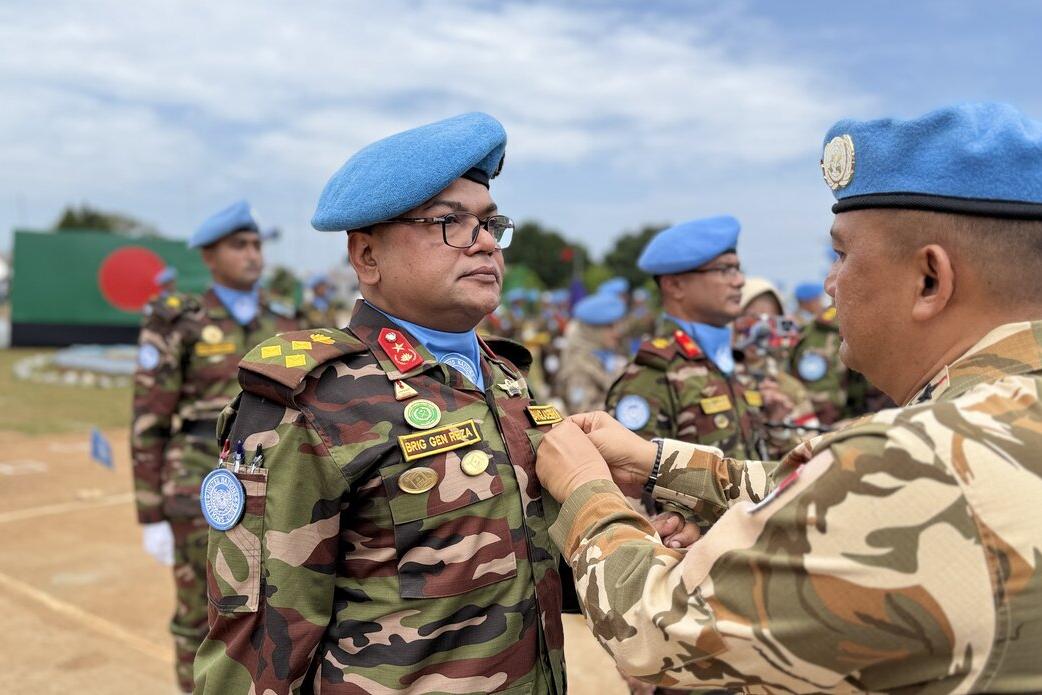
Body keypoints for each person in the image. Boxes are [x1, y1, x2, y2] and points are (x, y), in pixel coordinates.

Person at [535, 101, 1042, 693]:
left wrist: (587, 493)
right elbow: (812, 485)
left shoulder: (913, 460)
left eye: (843, 254)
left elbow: (654, 627)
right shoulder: (987, 423)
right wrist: (655, 463)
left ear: (930, 278)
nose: (831, 282)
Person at [194, 113, 568, 694]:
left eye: (491, 223)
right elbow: (257, 649)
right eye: (451, 222)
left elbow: (526, 555)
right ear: (367, 257)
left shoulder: (506, 378)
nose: (487, 242)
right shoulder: (313, 403)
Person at [130, 200, 302, 693]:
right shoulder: (178, 320)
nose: (253, 255)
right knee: (198, 614)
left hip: (277, 480)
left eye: (256, 245)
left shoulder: (286, 319)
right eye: (238, 245)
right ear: (209, 256)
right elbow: (149, 418)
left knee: (275, 604)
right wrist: (151, 513)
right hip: (198, 480)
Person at [605, 216, 798, 462]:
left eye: (737, 269)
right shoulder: (651, 376)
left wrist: (777, 424)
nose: (739, 281)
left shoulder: (735, 365)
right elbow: (633, 485)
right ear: (675, 285)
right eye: (724, 269)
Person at [557, 292, 628, 414]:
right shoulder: (578, 366)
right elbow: (583, 413)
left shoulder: (601, 356)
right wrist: (627, 407)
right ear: (593, 331)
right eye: (609, 327)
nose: (617, 333)